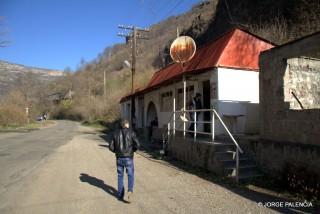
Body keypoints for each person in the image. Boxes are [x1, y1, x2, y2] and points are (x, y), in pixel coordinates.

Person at [109, 119, 140, 202]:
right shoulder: (131, 132)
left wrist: (117, 152)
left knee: (120, 176)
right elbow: (137, 144)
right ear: (126, 124)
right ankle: (130, 190)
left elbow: (111, 147)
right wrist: (132, 151)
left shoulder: (115, 133)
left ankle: (120, 195)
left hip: (119, 158)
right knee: (130, 174)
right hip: (128, 157)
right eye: (128, 124)